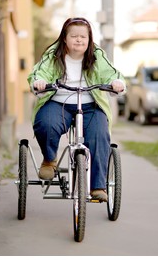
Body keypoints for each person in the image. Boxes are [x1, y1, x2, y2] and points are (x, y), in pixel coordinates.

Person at [27, 17, 126, 202]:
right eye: (74, 36)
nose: (79, 40)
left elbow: (111, 72)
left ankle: (98, 186)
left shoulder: (97, 55)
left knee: (99, 133)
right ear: (65, 38)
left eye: (83, 36)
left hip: (90, 104)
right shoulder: (53, 55)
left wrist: (116, 82)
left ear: (89, 39)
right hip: (58, 102)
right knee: (46, 123)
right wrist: (39, 82)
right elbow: (40, 72)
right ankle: (49, 160)